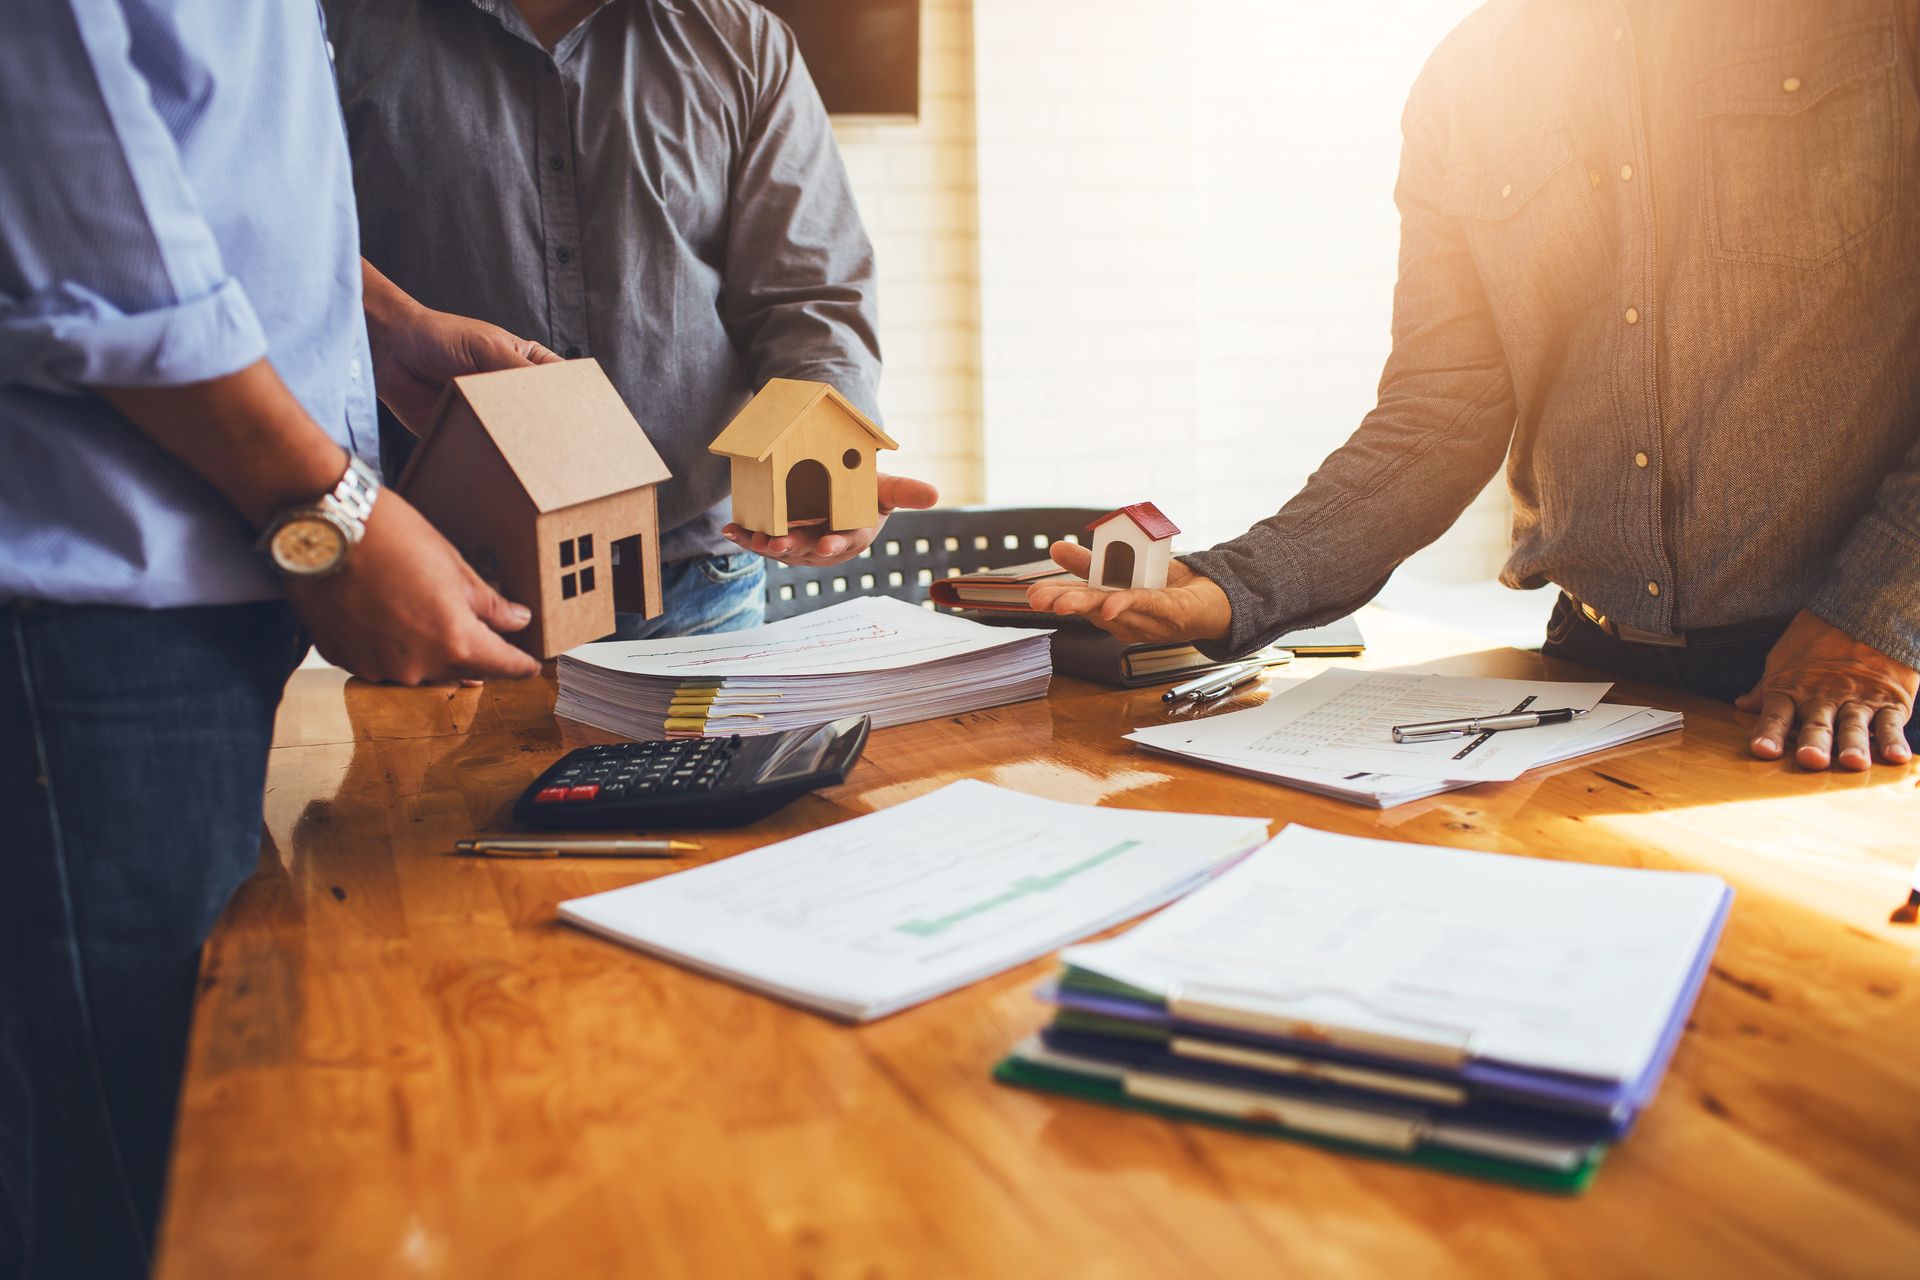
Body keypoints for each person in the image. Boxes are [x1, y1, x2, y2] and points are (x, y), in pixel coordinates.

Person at [0, 4, 559, 1274]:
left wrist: (378, 317)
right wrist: (334, 512)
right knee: (134, 1195)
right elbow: (70, 210)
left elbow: (193, 166)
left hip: (188, 613)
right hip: (91, 627)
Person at [1033, 0, 1920, 772]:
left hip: (1860, 687)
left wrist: (1877, 619)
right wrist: (1231, 588)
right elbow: (1438, 409)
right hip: (1588, 677)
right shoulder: (1468, 78)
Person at [322, 0, 937, 640]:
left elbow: (809, 296)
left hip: (699, 585)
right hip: (437, 573)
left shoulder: (744, 42)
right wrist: (383, 321)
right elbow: (261, 238)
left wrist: (825, 473)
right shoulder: (330, 24)